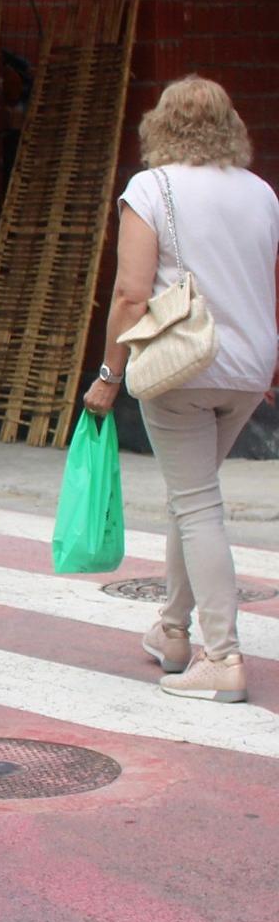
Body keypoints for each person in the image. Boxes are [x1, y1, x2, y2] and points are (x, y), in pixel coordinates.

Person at [83, 76, 279, 704]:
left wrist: (110, 375)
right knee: (189, 500)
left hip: (182, 366)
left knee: (195, 505)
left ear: (161, 125)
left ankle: (221, 658)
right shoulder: (262, 194)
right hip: (248, 368)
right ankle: (171, 631)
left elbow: (131, 294)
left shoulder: (151, 187)